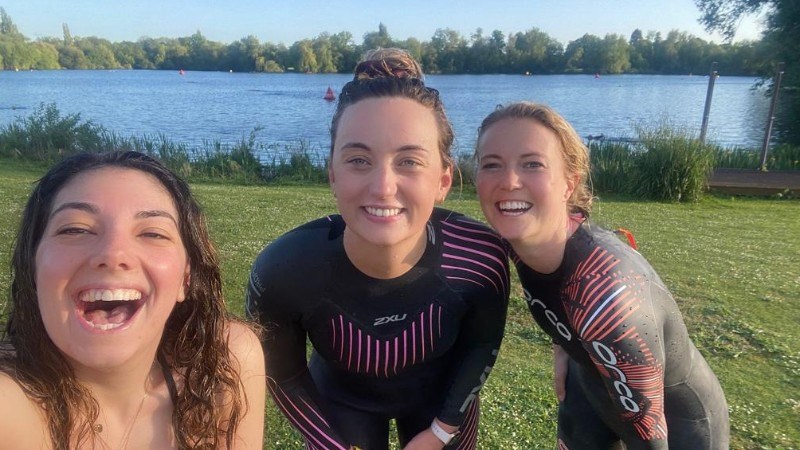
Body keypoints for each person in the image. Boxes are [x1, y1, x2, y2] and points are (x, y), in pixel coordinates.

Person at [246, 49, 509, 450]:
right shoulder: (283, 270)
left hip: (440, 402)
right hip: (342, 401)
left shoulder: (479, 256)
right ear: (332, 175)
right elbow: (285, 376)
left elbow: (480, 346)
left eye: (409, 161)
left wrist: (441, 431)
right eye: (358, 159)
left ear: (443, 180)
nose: (383, 187)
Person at [474, 102, 729, 449]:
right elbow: (558, 291)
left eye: (532, 164)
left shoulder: (606, 297)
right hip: (591, 385)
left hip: (678, 424)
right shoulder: (523, 238)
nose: (509, 182)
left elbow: (651, 435)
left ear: (569, 183)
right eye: (492, 164)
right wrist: (563, 347)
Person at [0, 151, 265, 449]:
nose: (113, 254)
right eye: (75, 229)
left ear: (185, 278)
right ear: (33, 267)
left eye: (153, 233)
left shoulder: (225, 363)